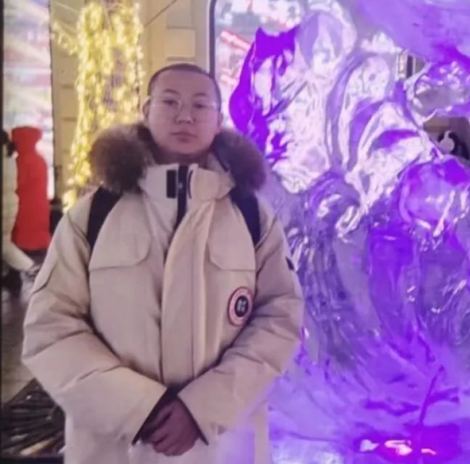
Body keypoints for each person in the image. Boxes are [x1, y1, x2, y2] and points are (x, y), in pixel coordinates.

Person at [22, 63, 304, 464]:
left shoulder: (251, 215)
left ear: (218, 120)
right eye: (170, 102)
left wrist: (202, 408)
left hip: (219, 445)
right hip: (116, 446)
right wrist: (138, 408)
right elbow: (50, 327)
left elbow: (281, 316)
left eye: (200, 105)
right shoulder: (94, 214)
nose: (184, 116)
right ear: (146, 110)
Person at [2, 129, 37, 294]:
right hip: (10, 204)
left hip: (4, 205)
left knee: (4, 246)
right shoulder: (9, 157)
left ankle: (31, 268)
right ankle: (22, 272)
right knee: (4, 244)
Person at [11, 125, 51, 257]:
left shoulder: (20, 162)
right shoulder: (40, 160)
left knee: (25, 242)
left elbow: (16, 185)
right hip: (40, 208)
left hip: (23, 209)